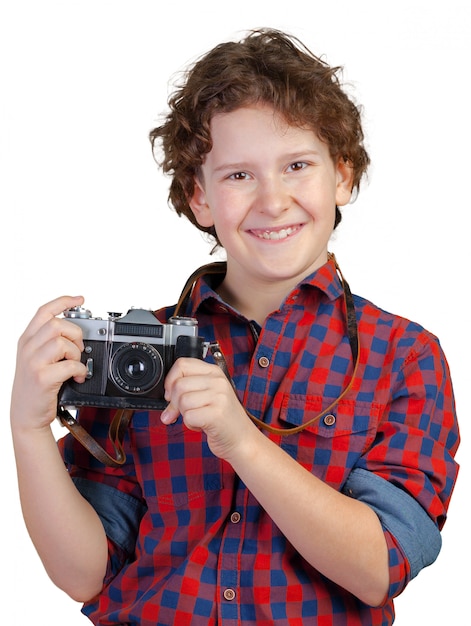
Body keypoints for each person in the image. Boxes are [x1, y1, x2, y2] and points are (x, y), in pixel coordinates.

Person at [10, 28, 460, 625]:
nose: (273, 201)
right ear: (199, 198)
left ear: (342, 177)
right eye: (238, 175)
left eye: (297, 165)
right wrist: (27, 429)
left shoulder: (404, 355)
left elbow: (379, 567)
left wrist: (241, 440)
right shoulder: (136, 355)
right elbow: (84, 574)